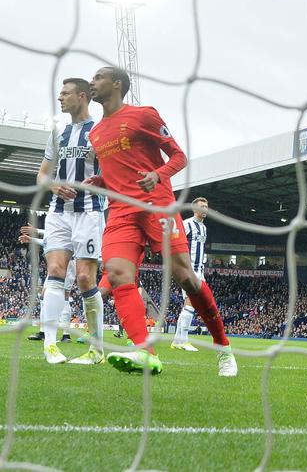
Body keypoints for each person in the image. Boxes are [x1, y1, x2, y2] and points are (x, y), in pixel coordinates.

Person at [85, 66, 236, 376]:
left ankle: (224, 349)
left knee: (185, 277)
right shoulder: (96, 132)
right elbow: (121, 171)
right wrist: (103, 181)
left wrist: (158, 175)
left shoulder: (144, 115)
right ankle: (144, 351)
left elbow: (179, 156)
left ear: (117, 84)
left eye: (98, 77)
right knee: (116, 275)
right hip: (121, 211)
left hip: (157, 205)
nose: (92, 82)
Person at [23, 78, 108, 364]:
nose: (60, 98)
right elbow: (42, 174)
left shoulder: (101, 131)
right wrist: (54, 187)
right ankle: (50, 346)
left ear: (82, 96)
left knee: (85, 277)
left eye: (65, 94)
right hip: (58, 211)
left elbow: (117, 173)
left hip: (89, 210)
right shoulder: (58, 132)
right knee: (55, 272)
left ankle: (96, 349)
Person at [172, 197, 211, 351]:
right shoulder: (187, 224)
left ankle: (177, 340)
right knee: (191, 303)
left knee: (191, 304)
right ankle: (183, 340)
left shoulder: (204, 228)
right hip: (188, 270)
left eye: (206, 207)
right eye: (202, 206)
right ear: (194, 209)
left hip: (199, 271)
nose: (205, 209)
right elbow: (176, 243)